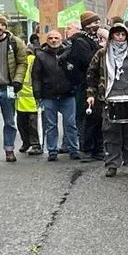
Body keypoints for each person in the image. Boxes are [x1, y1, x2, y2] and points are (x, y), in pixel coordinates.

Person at [87, 21, 128, 178]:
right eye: (117, 34)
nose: (120, 37)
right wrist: (91, 94)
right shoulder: (102, 54)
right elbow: (91, 75)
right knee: (111, 132)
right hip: (110, 97)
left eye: (123, 34)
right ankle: (112, 164)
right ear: (111, 36)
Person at [31, 29, 80, 161]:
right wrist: (37, 94)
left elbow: (76, 73)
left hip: (68, 94)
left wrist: (75, 87)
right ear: (47, 40)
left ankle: (73, 149)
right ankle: (52, 151)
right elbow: (35, 76)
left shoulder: (69, 54)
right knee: (51, 125)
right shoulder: (40, 56)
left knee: (70, 124)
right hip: (49, 95)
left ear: (61, 39)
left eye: (56, 38)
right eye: (51, 38)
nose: (53, 40)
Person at [0, 12, 26, 165]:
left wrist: (17, 81)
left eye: (3, 24)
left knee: (10, 121)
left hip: (9, 87)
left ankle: (9, 149)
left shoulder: (14, 42)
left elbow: (22, 63)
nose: (1, 27)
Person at [68, 11, 103, 162]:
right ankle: (87, 149)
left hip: (96, 84)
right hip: (86, 84)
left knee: (98, 117)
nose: (96, 26)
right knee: (88, 117)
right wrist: (100, 48)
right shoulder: (81, 41)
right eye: (94, 23)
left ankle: (98, 149)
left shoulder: (93, 40)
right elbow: (89, 61)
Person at [15, 47, 40, 155]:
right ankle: (28, 143)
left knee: (29, 123)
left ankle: (34, 144)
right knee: (24, 123)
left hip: (30, 98)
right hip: (22, 97)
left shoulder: (33, 60)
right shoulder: (19, 61)